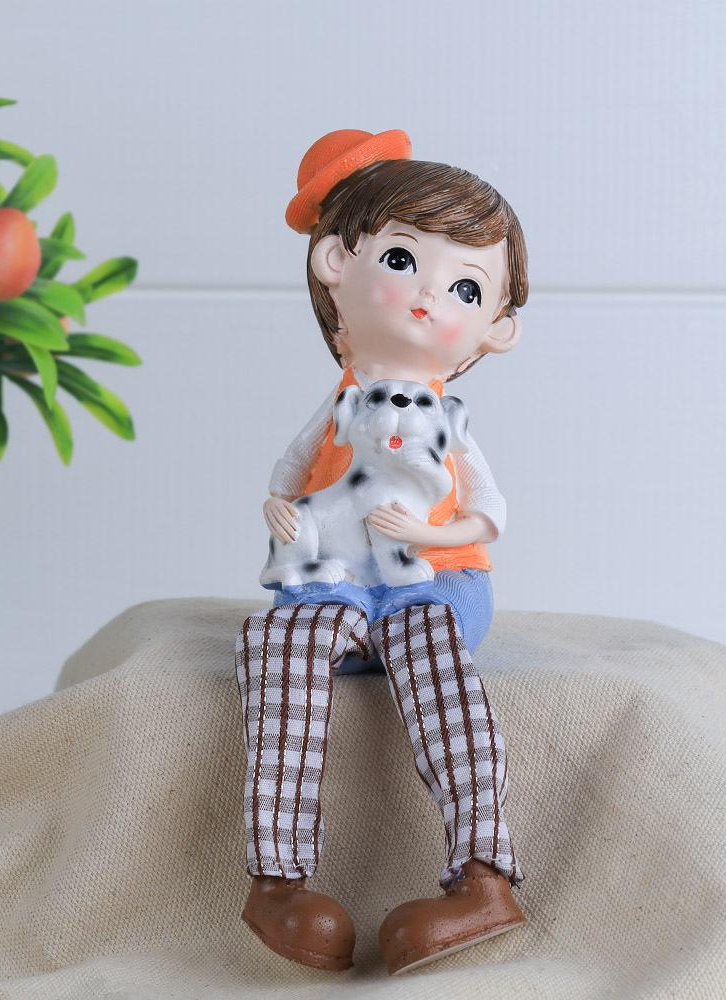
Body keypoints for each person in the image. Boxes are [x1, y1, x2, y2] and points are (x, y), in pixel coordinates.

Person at [235, 129, 529, 975]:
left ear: (496, 328)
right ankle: (276, 881)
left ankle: (483, 876)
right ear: (336, 262)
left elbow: (489, 513)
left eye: (466, 286)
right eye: (403, 260)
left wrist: (430, 536)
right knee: (279, 644)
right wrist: (279, 510)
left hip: (432, 581)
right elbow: (292, 470)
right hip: (332, 578)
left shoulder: (450, 418)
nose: (431, 295)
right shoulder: (339, 402)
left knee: (432, 655)